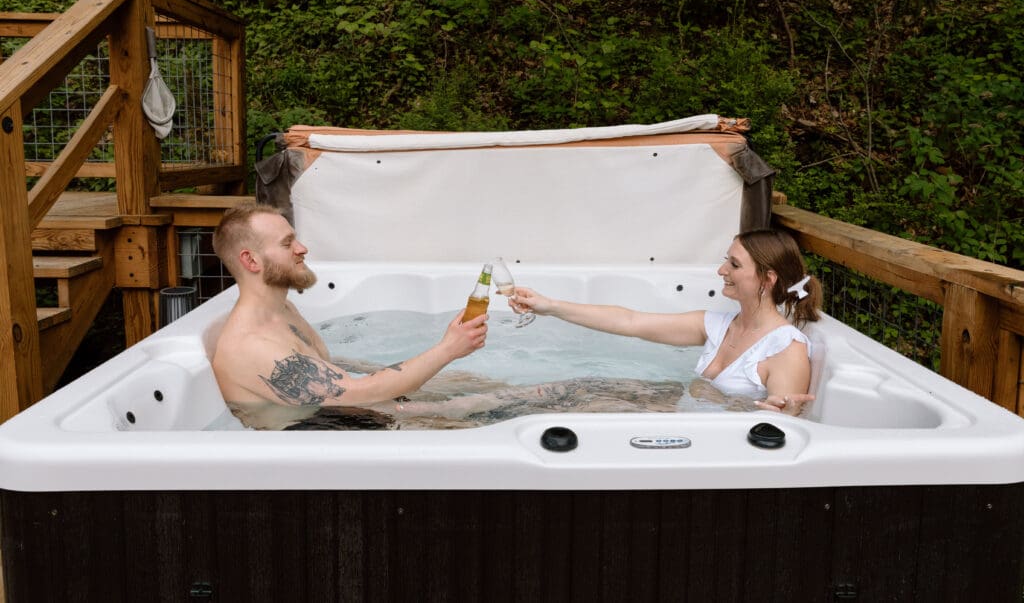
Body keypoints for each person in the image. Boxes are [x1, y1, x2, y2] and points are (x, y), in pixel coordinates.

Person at [210, 202, 488, 427]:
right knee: (481, 412)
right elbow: (360, 393)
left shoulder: (282, 310)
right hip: (313, 441)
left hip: (339, 416)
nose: (302, 248)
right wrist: (448, 349)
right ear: (251, 260)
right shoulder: (250, 346)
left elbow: (329, 372)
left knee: (480, 386)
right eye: (287, 243)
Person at [508, 229, 822, 416]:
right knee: (575, 389)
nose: (721, 270)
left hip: (708, 445)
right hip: (686, 416)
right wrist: (550, 306)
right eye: (726, 260)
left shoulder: (785, 349)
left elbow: (780, 430)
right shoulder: (719, 325)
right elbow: (630, 321)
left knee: (578, 408)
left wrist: (783, 414)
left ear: (767, 279)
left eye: (734, 264)